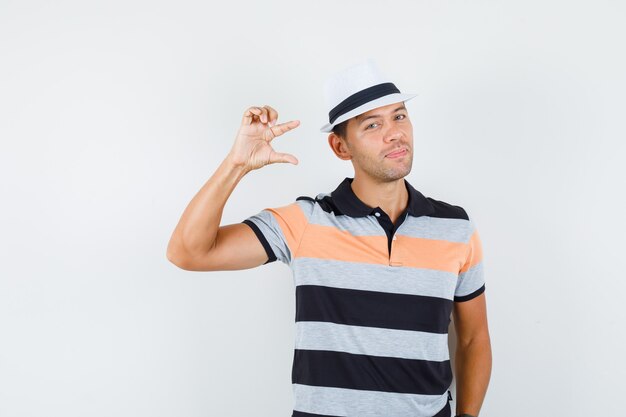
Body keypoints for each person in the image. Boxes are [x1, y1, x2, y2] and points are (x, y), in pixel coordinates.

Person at [166, 60, 492, 417]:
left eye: (399, 116)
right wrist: (237, 164)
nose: (395, 133)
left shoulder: (455, 227)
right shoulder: (305, 222)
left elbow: (474, 339)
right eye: (372, 124)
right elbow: (188, 252)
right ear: (340, 147)